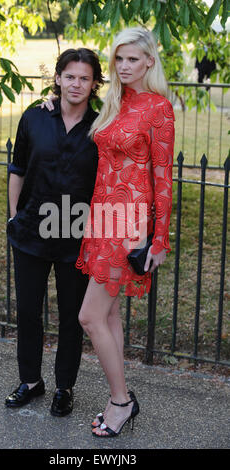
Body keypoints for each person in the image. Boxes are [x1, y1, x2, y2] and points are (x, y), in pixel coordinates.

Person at [75, 27, 175, 437]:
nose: (124, 66)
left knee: (89, 316)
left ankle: (121, 401)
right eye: (119, 59)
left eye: (133, 58)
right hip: (102, 217)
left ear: (150, 61)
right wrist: (51, 101)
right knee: (109, 313)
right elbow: (74, 103)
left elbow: (164, 176)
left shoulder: (158, 108)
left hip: (130, 224)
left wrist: (159, 239)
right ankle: (121, 396)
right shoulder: (114, 103)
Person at [5, 48, 104, 417]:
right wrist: (15, 216)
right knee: (28, 311)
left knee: (70, 316)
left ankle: (65, 386)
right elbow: (17, 169)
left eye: (84, 77)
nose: (76, 84)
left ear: (94, 84)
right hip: (30, 232)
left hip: (76, 237)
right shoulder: (34, 118)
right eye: (70, 76)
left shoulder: (101, 126)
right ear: (58, 78)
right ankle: (30, 380)